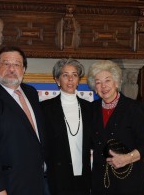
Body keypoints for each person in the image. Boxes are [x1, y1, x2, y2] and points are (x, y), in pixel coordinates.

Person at [0, 46, 48, 195]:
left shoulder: (31, 93)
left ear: (24, 69)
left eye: (17, 64)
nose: (11, 69)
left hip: (36, 182)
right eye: (6, 63)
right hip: (7, 186)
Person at [87, 60, 144, 195]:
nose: (103, 86)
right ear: (94, 87)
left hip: (128, 182)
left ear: (116, 82)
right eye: (98, 82)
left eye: (107, 80)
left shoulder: (133, 108)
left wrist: (127, 158)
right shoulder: (91, 109)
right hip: (101, 183)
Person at [41, 59, 92, 195]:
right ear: (57, 80)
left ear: (78, 80)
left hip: (85, 175)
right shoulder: (45, 108)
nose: (70, 79)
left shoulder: (90, 108)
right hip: (57, 176)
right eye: (65, 75)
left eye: (74, 75)